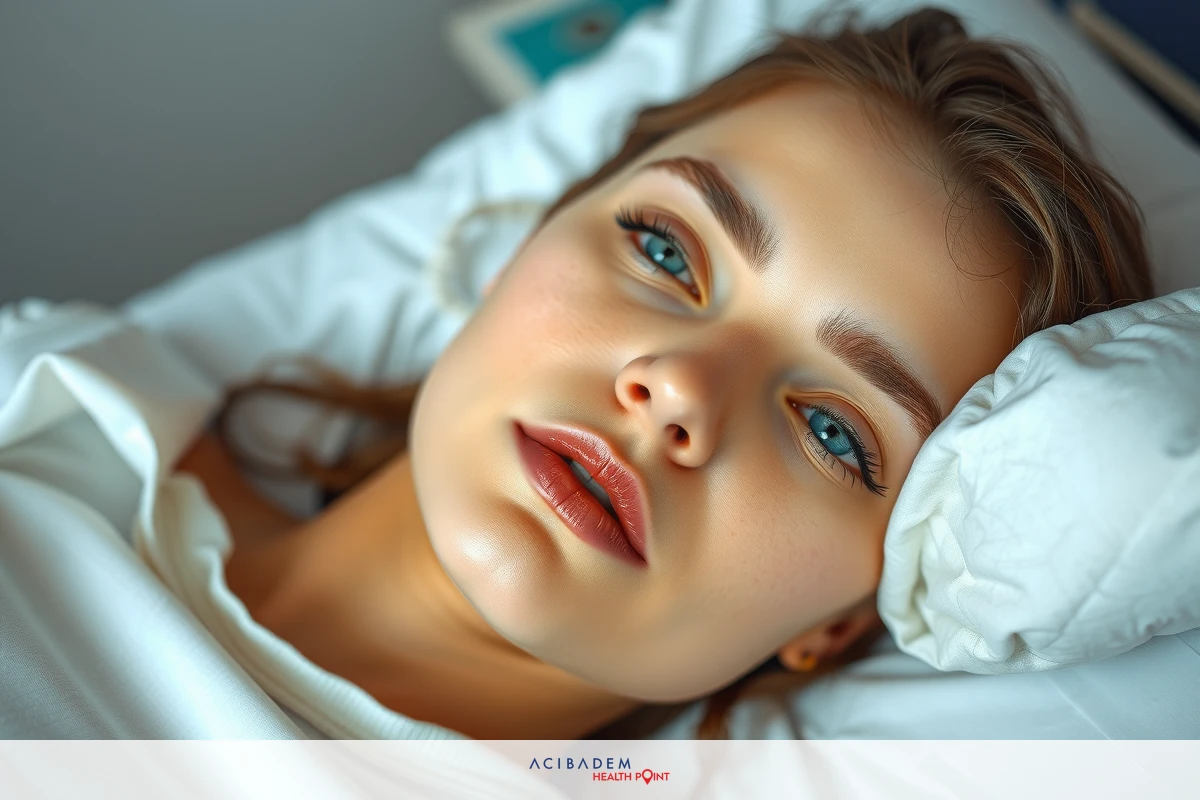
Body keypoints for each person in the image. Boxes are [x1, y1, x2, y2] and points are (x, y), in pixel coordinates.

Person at [174, 7, 1152, 740]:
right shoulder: (52, 399)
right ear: (535, 236)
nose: (680, 389)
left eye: (834, 432)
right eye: (667, 251)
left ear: (844, 619)